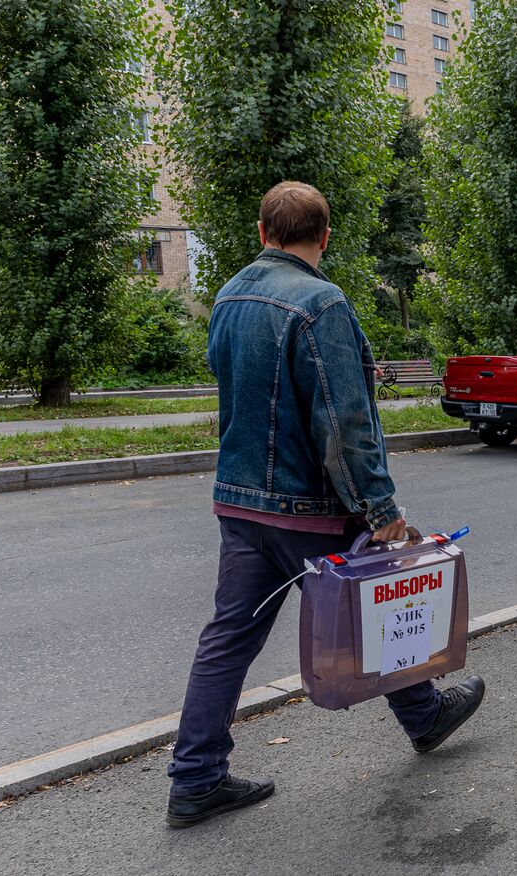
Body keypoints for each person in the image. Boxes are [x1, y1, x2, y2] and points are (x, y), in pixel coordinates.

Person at [166, 181, 485, 828]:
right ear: (325, 237)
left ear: (262, 232)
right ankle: (425, 717)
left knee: (227, 639)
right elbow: (344, 423)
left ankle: (194, 778)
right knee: (379, 607)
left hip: (239, 502)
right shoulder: (322, 302)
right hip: (308, 506)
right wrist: (381, 510)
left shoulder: (227, 296)